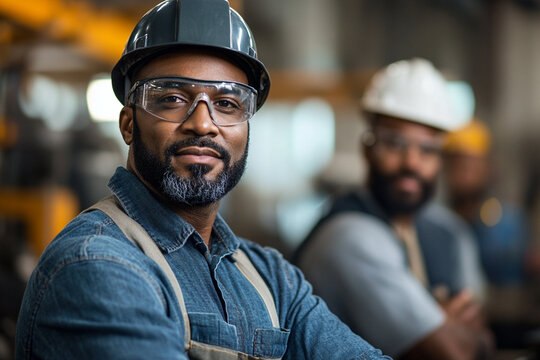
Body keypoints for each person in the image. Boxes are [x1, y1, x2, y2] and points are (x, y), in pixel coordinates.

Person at [15, 1, 390, 359]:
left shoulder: (271, 279)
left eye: (227, 104)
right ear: (129, 124)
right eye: (173, 98)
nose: (203, 123)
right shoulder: (96, 265)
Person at [295, 58, 493, 359]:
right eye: (394, 144)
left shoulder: (443, 232)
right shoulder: (350, 236)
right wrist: (455, 333)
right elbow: (455, 352)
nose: (411, 162)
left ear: (441, 160)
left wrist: (454, 332)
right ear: (367, 148)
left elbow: (482, 332)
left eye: (427, 150)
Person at [443, 120, 529, 286]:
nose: (465, 171)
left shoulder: (509, 223)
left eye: (473, 162)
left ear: (489, 167)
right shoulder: (432, 223)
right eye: (458, 162)